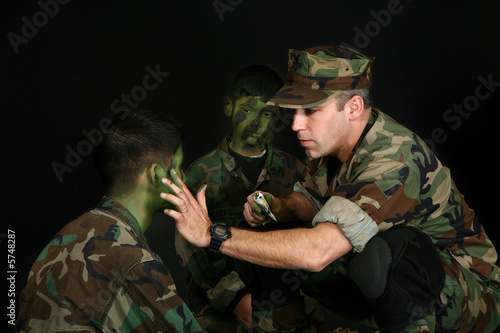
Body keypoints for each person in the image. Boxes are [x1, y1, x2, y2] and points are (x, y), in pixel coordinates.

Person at [161, 45, 500, 333]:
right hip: (391, 291)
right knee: (276, 238)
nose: (295, 125)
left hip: (470, 296)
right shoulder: (328, 144)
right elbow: (308, 202)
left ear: (353, 107)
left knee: (385, 253)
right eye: (294, 112)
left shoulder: (394, 157)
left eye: (311, 111)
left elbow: (317, 252)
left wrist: (213, 235)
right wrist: (279, 206)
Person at [15, 110, 203, 332]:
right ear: (155, 174)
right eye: (179, 167)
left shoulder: (62, 240)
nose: (185, 178)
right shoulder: (134, 261)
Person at [175, 65, 324, 332]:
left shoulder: (295, 171)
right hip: (221, 310)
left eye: (267, 114)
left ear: (279, 117)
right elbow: (190, 247)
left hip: (285, 304)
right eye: (246, 110)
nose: (256, 122)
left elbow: (311, 238)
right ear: (229, 106)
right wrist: (235, 297)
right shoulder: (201, 174)